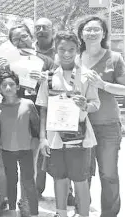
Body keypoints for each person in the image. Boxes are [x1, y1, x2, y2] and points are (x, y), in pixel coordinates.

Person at [0, 23, 55, 217]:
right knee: (4, 163)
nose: (21, 40)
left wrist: (46, 79)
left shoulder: (45, 61)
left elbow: (61, 83)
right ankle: (3, 198)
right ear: (11, 42)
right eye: (16, 39)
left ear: (31, 36)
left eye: (24, 36)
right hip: (9, 114)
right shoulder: (7, 62)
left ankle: (25, 200)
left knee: (30, 163)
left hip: (32, 115)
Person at [37, 31, 100, 217]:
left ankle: (84, 214)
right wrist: (42, 138)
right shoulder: (48, 77)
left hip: (79, 138)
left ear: (78, 50)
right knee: (59, 178)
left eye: (71, 49)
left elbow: (95, 104)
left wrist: (85, 105)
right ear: (55, 50)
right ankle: (61, 213)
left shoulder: (87, 76)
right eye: (62, 49)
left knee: (81, 179)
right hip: (55, 137)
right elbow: (43, 109)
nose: (66, 53)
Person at [77, 16, 125, 217]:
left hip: (107, 125)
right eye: (88, 29)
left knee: (109, 174)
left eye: (97, 29)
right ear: (81, 34)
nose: (92, 33)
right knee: (82, 174)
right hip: (80, 124)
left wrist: (103, 85)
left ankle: (109, 214)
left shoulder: (114, 58)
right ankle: (83, 211)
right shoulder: (75, 57)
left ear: (104, 33)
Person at [0, 70, 39, 217]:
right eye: (4, 85)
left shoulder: (28, 104)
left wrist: (38, 143)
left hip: (26, 150)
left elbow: (37, 127)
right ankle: (12, 211)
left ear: (18, 86)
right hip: (7, 151)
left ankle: (33, 213)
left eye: (11, 84)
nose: (8, 88)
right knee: (11, 182)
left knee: (29, 182)